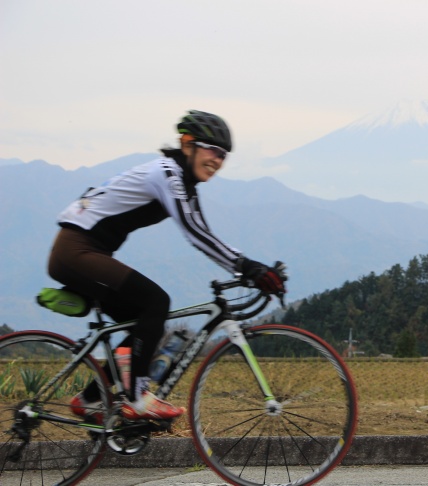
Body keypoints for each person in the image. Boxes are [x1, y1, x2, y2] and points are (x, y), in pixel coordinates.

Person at [48, 110, 286, 421]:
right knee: (156, 302)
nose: (218, 160)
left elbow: (205, 233)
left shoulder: (181, 182)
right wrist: (248, 267)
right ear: (188, 143)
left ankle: (91, 400)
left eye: (224, 155)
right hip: (76, 250)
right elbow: (197, 236)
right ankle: (137, 397)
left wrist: (247, 267)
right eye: (213, 150)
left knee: (141, 324)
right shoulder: (168, 174)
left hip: (85, 251)